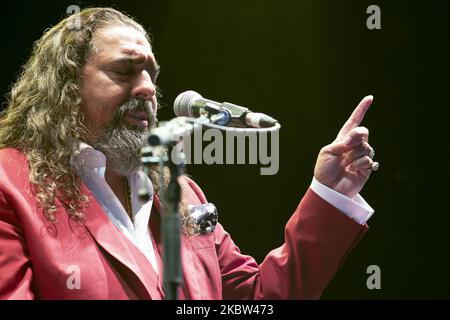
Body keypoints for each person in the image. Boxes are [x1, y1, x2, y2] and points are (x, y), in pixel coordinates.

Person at [0, 7, 379, 300]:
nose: (148, 88)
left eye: (151, 73)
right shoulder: (10, 184)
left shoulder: (181, 195)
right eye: (125, 70)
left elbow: (257, 297)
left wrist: (330, 192)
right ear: (66, 86)